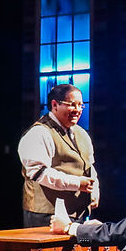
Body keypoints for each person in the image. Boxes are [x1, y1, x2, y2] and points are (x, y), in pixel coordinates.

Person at [17, 83, 99, 228]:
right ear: (55, 105)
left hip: (78, 215)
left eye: (81, 105)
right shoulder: (39, 133)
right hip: (47, 216)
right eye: (72, 105)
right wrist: (77, 183)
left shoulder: (81, 133)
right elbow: (39, 173)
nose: (78, 110)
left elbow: (90, 166)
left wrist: (95, 190)